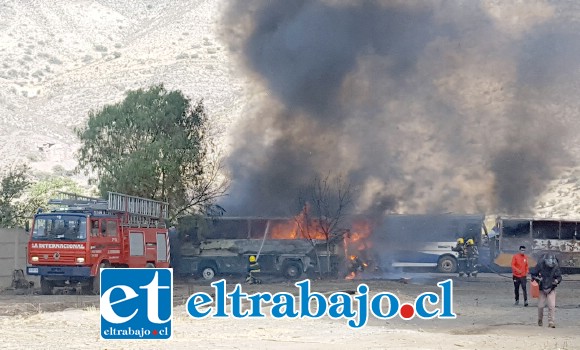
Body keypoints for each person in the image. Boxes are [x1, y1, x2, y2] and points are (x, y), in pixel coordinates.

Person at [531, 253, 562, 328]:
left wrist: (557, 281)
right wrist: (538, 279)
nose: (551, 263)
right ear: (545, 261)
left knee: (552, 306)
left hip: (551, 287)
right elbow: (533, 274)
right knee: (540, 306)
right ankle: (540, 319)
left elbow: (559, 277)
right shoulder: (540, 265)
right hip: (541, 288)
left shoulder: (555, 266)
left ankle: (551, 322)